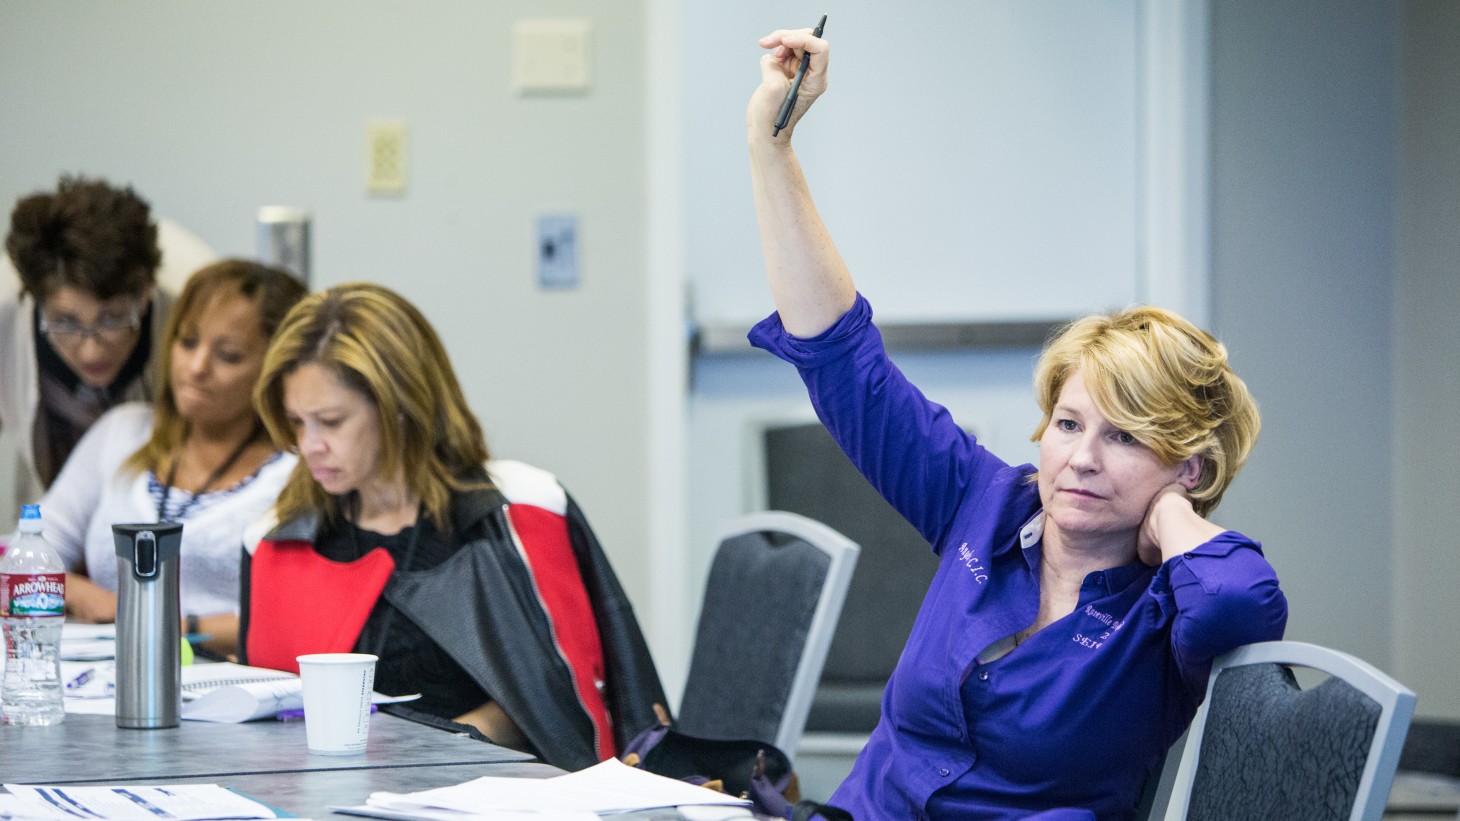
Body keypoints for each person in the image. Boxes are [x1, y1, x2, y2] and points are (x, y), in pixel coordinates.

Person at [745, 27, 1288, 821]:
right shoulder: (989, 501)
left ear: (1192, 466)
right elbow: (841, 361)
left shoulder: (1171, 604)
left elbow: (1245, 602)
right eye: (1068, 424)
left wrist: (1171, 512)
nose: (1081, 460)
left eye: (1127, 436)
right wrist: (771, 144)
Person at [239, 282, 664, 771]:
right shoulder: (279, 541)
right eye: (296, 422)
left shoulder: (516, 516)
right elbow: (268, 720)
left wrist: (429, 751)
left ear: (400, 407)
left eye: (331, 421)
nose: (309, 445)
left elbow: (555, 703)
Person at [40, 260, 306, 657]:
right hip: (99, 677)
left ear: (276, 370)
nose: (196, 368)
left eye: (228, 356)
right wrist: (80, 594)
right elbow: (28, 556)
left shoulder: (298, 473)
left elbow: (297, 619)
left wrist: (155, 621)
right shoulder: (123, 432)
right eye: (187, 342)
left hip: (225, 690)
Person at [1, 176, 216, 514]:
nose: (92, 351)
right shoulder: (5, 307)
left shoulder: (194, 301)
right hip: (48, 496)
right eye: (66, 323)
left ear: (143, 293)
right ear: (37, 300)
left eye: (112, 319)